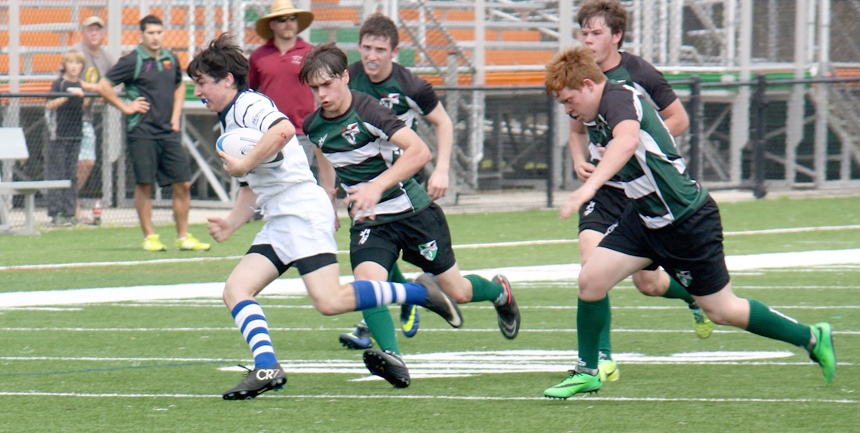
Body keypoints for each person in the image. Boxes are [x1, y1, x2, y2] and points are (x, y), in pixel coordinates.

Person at [541, 46, 836, 399]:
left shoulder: (618, 98)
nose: (568, 109)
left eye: (569, 100)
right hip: (643, 218)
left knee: (723, 310)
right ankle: (588, 370)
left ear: (589, 85)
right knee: (590, 280)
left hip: (686, 219)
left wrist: (588, 188)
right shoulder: (594, 109)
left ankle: (812, 337)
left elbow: (628, 140)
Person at [187, 34, 463, 399]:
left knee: (329, 301)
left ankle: (419, 292)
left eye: (201, 83)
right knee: (236, 290)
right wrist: (231, 223)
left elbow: (283, 130)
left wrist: (243, 163)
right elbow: (251, 187)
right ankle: (267, 366)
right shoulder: (230, 122)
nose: (197, 92)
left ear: (227, 80)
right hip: (280, 217)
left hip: (300, 209)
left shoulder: (248, 105)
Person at [299, 42, 520, 388]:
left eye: (327, 85)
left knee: (459, 291)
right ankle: (392, 356)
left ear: (345, 77)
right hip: (371, 221)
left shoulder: (370, 110)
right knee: (368, 285)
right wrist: (328, 197)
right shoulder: (314, 125)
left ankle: (498, 292)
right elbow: (323, 151)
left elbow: (420, 151)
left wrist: (375, 187)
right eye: (314, 88)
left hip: (413, 212)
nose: (321, 95)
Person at [566, 0, 707, 384]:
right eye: (584, 32)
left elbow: (678, 119)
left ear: (616, 36)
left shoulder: (639, 73)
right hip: (604, 189)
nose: (588, 40)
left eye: (596, 33)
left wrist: (635, 145)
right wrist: (579, 159)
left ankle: (692, 295)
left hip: (640, 187)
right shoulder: (581, 75)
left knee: (650, 284)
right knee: (590, 265)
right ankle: (601, 358)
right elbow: (576, 130)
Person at [339, 13, 456, 348]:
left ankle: (401, 300)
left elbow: (443, 123)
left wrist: (442, 168)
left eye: (380, 49)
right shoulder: (348, 78)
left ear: (394, 51)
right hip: (362, 182)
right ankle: (388, 310)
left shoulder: (412, 86)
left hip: (402, 183)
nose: (371, 56)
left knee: (453, 285)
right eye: (366, 48)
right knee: (373, 252)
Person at [97, 14, 210, 252]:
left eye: (159, 32)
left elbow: (179, 86)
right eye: (151, 33)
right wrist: (126, 107)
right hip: (142, 131)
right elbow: (103, 86)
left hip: (168, 131)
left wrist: (175, 116)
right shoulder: (132, 60)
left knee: (183, 183)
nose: (156, 37)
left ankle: (183, 237)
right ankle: (150, 237)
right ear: (142, 35)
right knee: (144, 184)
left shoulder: (171, 58)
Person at [249, 0, 317, 172]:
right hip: (268, 131)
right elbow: (248, 91)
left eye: (292, 18)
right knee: (269, 180)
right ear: (271, 24)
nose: (288, 23)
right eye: (282, 19)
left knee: (299, 179)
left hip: (301, 131)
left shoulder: (310, 53)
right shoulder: (258, 56)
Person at [72, 15, 117, 222]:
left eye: (97, 29)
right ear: (83, 32)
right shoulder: (77, 51)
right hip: (68, 115)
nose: (94, 33)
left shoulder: (106, 57)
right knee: (70, 162)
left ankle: (71, 199)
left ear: (103, 33)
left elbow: (117, 78)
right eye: (90, 29)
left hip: (86, 116)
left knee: (87, 161)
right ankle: (71, 205)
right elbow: (71, 81)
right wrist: (98, 87)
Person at [45, 49, 89, 226]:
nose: (74, 66)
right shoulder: (59, 84)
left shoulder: (81, 84)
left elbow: (84, 106)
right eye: (71, 62)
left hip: (75, 135)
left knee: (72, 174)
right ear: (65, 65)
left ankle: (69, 212)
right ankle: (55, 212)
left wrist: (84, 97)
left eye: (78, 63)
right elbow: (49, 105)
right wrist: (67, 96)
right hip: (59, 136)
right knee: (57, 173)